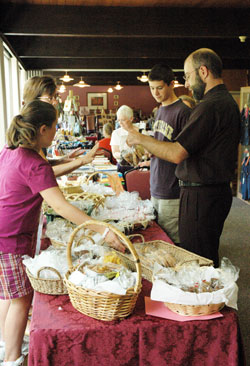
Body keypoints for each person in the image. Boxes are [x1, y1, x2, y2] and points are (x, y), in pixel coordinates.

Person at [0, 100, 125, 366]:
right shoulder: (35, 164)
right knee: (21, 300)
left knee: (9, 296)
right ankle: (12, 357)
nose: (57, 131)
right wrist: (102, 230)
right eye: (55, 127)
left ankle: (6, 343)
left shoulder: (10, 151)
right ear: (42, 130)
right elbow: (61, 206)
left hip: (5, 234)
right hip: (10, 238)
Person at [123, 48, 241, 267]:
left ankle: (202, 301)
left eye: (188, 76)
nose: (186, 83)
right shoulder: (226, 103)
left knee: (195, 260)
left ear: (203, 72)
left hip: (202, 195)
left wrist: (139, 138)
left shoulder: (209, 106)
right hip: (212, 192)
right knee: (204, 255)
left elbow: (177, 152)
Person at [135, 64, 191, 243]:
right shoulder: (160, 111)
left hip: (173, 187)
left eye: (159, 88)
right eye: (152, 88)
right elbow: (161, 144)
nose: (155, 93)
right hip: (157, 184)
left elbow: (183, 153)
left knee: (172, 242)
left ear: (171, 84)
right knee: (156, 238)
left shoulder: (183, 112)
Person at [22, 75, 99, 177]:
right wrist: (82, 161)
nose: (55, 102)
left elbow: (42, 165)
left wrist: (63, 160)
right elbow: (42, 174)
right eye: (50, 98)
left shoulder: (32, 129)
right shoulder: (30, 134)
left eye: (55, 97)